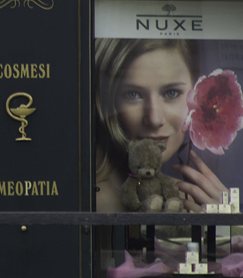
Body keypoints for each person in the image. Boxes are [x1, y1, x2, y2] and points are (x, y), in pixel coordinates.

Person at [93, 38, 227, 213]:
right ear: (107, 102)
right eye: (133, 95)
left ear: (197, 92)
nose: (155, 119)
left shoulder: (183, 196)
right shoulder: (102, 201)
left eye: (171, 93)